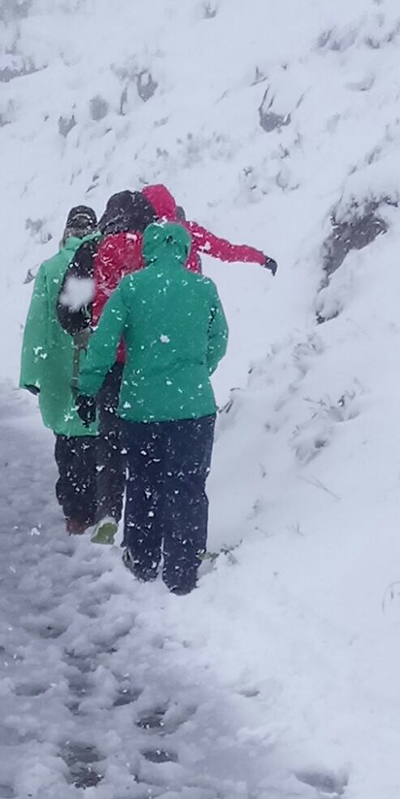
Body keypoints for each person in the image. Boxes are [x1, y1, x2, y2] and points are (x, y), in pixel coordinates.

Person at [78, 223, 229, 595]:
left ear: (147, 249)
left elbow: (104, 342)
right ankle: (183, 567)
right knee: (189, 485)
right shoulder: (203, 288)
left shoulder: (131, 288)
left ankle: (143, 561)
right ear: (184, 249)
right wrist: (196, 370)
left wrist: (88, 388)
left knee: (144, 483)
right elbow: (220, 339)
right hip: (194, 408)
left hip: (142, 407)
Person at [57, 190, 157, 544]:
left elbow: (68, 308)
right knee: (148, 445)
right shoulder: (156, 248)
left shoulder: (92, 250)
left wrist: (87, 332)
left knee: (110, 441)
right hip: (153, 362)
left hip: (109, 361)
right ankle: (145, 522)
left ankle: (109, 511)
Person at [20, 206, 100, 535]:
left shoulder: (51, 269)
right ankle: (97, 507)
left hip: (56, 368)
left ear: (66, 231)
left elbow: (38, 323)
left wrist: (30, 373)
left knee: (67, 446)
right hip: (95, 365)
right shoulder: (103, 261)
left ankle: (74, 512)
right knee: (95, 443)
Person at [142, 184, 278, 276]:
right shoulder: (188, 231)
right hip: (191, 300)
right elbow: (227, 251)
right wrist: (261, 259)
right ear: (171, 204)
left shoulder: (141, 239)